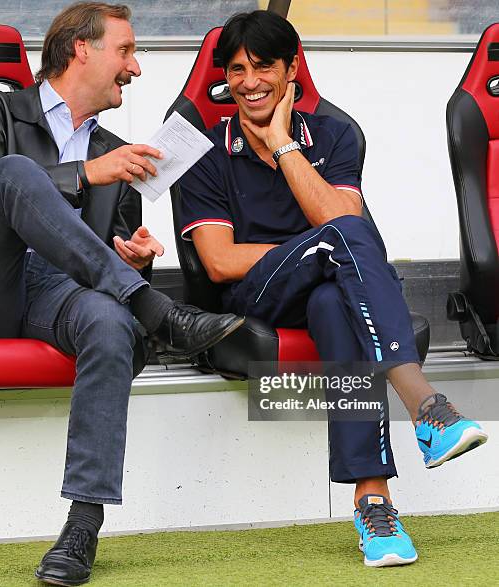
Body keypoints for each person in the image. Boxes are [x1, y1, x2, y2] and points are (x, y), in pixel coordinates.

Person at [0, 3, 245, 585]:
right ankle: (156, 311)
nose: (136, 68)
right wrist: (87, 174)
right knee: (12, 173)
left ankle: (83, 525)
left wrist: (127, 251)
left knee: (109, 325)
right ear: (81, 49)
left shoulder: (115, 147)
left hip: (58, 292)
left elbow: (104, 249)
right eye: (126, 50)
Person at [179, 10, 488, 568]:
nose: (249, 82)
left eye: (263, 67)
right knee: (335, 243)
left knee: (333, 298)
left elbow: (344, 221)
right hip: (256, 300)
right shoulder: (204, 150)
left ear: (291, 68)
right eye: (237, 70)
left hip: (329, 292)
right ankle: (426, 407)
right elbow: (221, 262)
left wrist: (283, 146)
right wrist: (309, 249)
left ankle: (375, 507)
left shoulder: (335, 134)